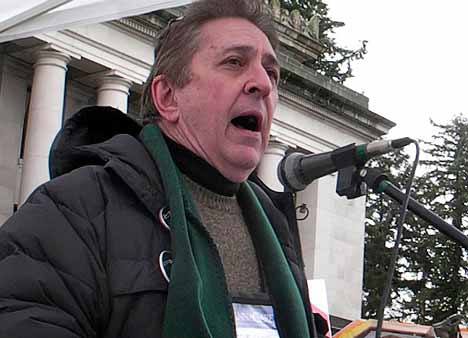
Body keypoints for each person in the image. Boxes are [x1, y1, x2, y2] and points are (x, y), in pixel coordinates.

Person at [0, 0, 328, 337]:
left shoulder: (277, 232)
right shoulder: (74, 208)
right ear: (168, 96)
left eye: (271, 73)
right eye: (234, 62)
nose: (262, 83)